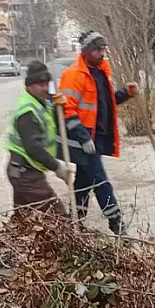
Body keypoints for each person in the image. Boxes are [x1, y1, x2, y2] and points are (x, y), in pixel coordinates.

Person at [58, 30, 139, 235]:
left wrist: (125, 94)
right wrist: (84, 138)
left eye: (103, 49)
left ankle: (74, 223)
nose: (102, 53)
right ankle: (116, 224)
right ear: (86, 51)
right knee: (101, 181)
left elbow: (106, 101)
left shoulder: (101, 71)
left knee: (84, 182)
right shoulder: (73, 75)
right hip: (80, 140)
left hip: (97, 137)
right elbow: (68, 110)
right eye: (97, 50)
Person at [4, 61, 76, 214]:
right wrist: (57, 167)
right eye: (40, 85)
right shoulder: (27, 110)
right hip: (24, 172)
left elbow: (52, 125)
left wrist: (58, 108)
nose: (45, 88)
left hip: (26, 170)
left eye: (46, 84)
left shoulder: (42, 102)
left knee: (24, 220)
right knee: (57, 217)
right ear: (29, 85)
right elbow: (33, 147)